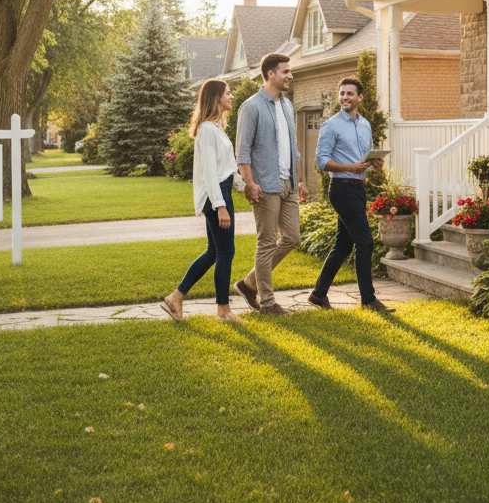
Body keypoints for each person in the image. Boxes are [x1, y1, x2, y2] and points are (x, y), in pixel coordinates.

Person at [308, 77, 395, 313]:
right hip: (341, 188)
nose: (345, 97)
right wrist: (350, 168)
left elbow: (363, 157)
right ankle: (368, 299)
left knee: (343, 245)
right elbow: (322, 161)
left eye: (350, 94)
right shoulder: (331, 125)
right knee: (365, 242)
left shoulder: (365, 125)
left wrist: (374, 162)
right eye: (342, 93)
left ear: (360, 97)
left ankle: (318, 294)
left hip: (357, 188)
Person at [161, 80, 245, 322]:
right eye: (228, 93)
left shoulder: (216, 128)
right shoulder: (208, 129)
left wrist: (245, 186)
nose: (231, 96)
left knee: (214, 252)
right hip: (216, 195)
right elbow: (210, 172)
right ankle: (223, 310)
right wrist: (220, 206)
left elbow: (226, 168)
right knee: (226, 252)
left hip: (221, 190)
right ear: (216, 97)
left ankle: (175, 297)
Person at [233, 53, 309, 315]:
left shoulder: (287, 105)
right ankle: (267, 302)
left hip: (288, 182)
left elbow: (293, 148)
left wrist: (301, 180)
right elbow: (242, 152)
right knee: (266, 242)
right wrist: (249, 184)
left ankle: (248, 283)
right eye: (285, 71)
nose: (290, 75)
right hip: (265, 184)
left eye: (290, 71)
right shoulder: (251, 107)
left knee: (292, 237)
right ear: (269, 74)